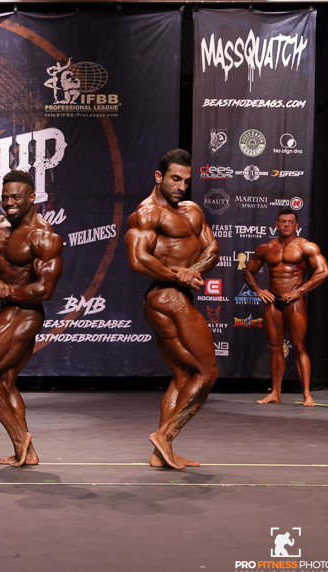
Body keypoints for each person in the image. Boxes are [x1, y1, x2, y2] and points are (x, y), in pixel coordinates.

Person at [125, 149, 218, 469]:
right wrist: (178, 275)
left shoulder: (192, 210)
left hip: (177, 295)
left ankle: (160, 453)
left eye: (186, 181)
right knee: (207, 372)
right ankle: (165, 435)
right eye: (175, 179)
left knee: (182, 376)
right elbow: (137, 259)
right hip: (167, 296)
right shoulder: (147, 212)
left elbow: (213, 249)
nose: (181, 186)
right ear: (159, 177)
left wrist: (193, 270)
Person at [0, 170, 63, 467]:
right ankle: (27, 452)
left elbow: (45, 289)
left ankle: (21, 437)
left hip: (25, 313)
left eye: (16, 198)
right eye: (5, 197)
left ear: (32, 198)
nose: (9, 202)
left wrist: (8, 291)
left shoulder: (43, 236)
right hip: (8, 308)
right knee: (5, 382)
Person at [242, 209, 328, 406]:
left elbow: (323, 272)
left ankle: (307, 394)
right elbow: (248, 271)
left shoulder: (306, 246)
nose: (286, 225)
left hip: (294, 302)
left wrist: (301, 290)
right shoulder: (267, 248)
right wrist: (258, 290)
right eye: (283, 222)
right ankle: (275, 393)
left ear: (296, 225)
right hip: (273, 301)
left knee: (299, 347)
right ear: (276, 225)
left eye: (290, 222)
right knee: (275, 348)